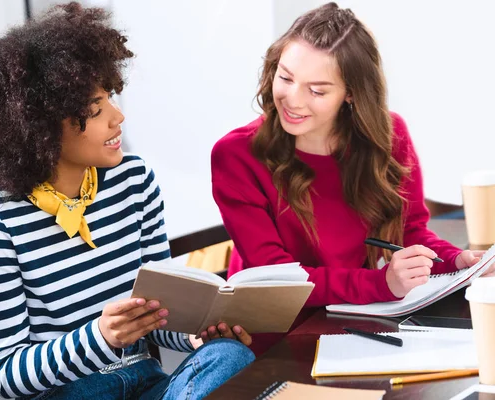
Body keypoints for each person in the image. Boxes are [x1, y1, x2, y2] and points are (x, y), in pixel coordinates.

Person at [0, 3, 254, 399]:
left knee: (229, 355)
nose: (117, 117)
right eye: (95, 110)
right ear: (41, 126)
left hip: (147, 384)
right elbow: (5, 375)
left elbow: (160, 314)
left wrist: (196, 332)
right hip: (70, 394)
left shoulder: (133, 180)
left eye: (110, 96)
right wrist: (99, 336)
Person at [211, 2, 493, 355]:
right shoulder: (236, 155)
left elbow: (410, 233)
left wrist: (457, 262)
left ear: (351, 94)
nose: (292, 100)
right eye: (285, 77)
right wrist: (381, 283)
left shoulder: (390, 137)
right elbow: (276, 278)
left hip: (353, 322)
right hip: (272, 337)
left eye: (317, 90)